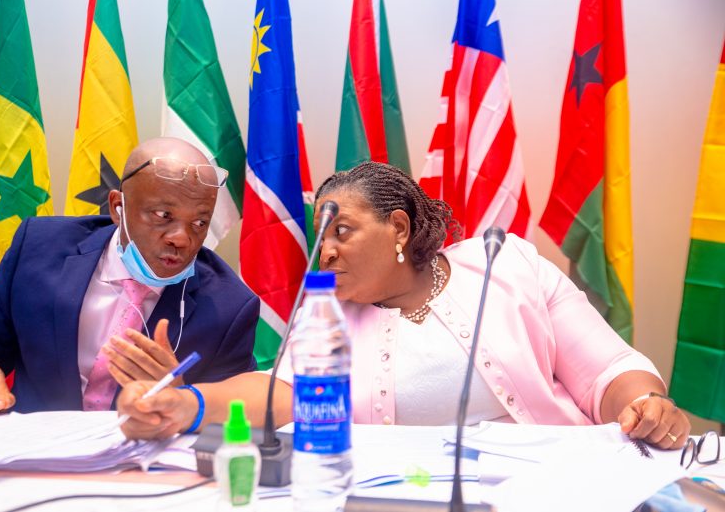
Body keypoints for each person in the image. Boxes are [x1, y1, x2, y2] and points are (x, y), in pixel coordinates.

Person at [117, 161, 690, 450]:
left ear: (398, 228)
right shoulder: (328, 309)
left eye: (340, 231)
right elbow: (281, 391)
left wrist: (645, 404)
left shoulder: (507, 265)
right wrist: (185, 403)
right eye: (320, 237)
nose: (324, 251)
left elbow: (608, 369)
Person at [0, 137, 260, 414]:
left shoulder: (230, 307)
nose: (181, 238)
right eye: (163, 215)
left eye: (199, 223)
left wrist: (183, 399)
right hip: (34, 450)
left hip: (146, 454)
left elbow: (232, 416)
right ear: (118, 207)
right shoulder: (39, 250)